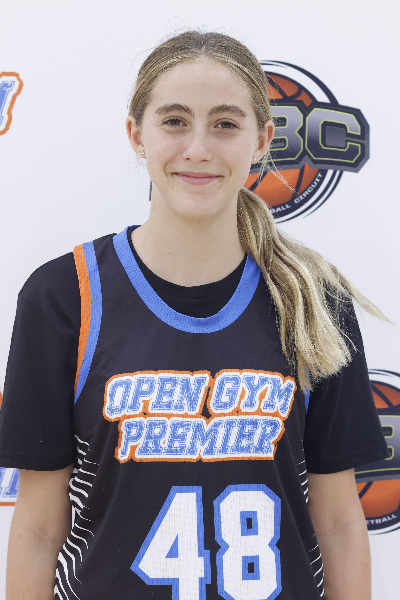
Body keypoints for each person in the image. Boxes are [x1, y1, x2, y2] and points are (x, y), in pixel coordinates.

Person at [0, 31, 389, 600]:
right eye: (175, 121)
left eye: (226, 123)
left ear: (262, 139)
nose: (199, 149)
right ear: (137, 135)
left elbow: (338, 524)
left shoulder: (314, 300)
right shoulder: (65, 297)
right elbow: (37, 530)